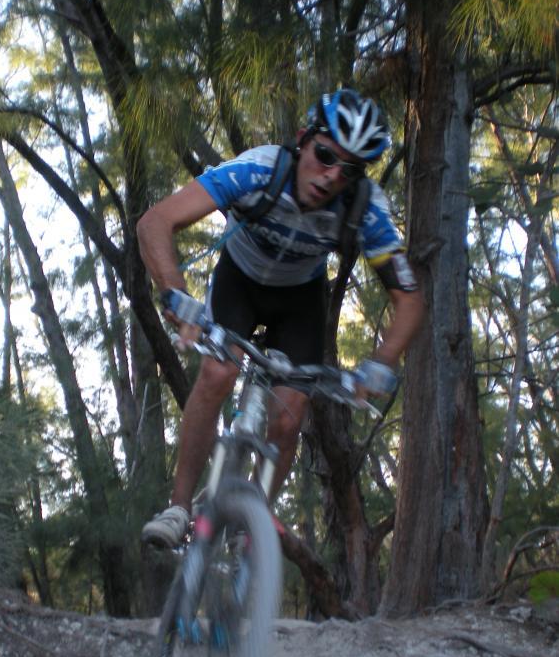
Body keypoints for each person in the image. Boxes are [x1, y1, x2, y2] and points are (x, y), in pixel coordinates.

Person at [138, 89, 424, 548]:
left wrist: (383, 361)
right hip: (241, 279)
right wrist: (175, 293)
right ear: (302, 141)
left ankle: (253, 522)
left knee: (290, 418)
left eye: (349, 170)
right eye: (325, 154)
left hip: (300, 298)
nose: (331, 176)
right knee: (217, 371)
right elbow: (156, 221)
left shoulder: (365, 206)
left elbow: (408, 298)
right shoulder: (261, 168)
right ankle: (177, 506)